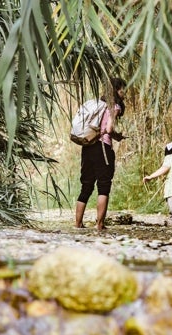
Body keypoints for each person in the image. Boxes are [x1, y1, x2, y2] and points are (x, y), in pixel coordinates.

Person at [75, 77, 127, 231]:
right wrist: (114, 134)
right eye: (123, 89)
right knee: (104, 186)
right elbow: (109, 129)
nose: (124, 93)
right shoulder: (114, 105)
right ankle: (100, 224)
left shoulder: (98, 104)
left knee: (86, 185)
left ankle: (78, 224)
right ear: (117, 90)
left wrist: (115, 136)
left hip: (88, 146)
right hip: (103, 148)